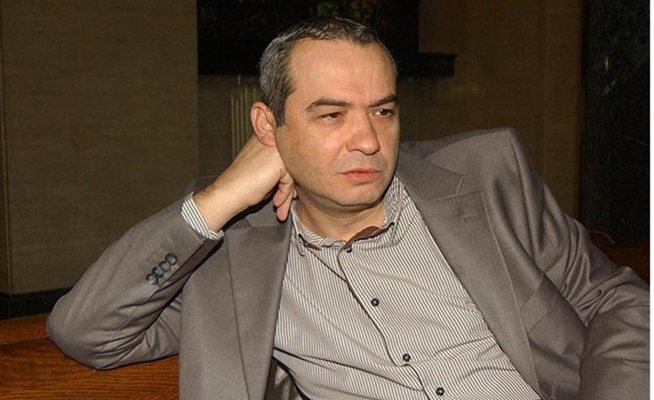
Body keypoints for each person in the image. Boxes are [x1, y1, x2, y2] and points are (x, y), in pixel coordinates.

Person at [47, 17, 648, 400]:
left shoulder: (489, 176)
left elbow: (618, 300)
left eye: (382, 111)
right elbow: (87, 332)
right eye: (331, 115)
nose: (367, 140)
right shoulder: (230, 261)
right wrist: (219, 198)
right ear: (268, 127)